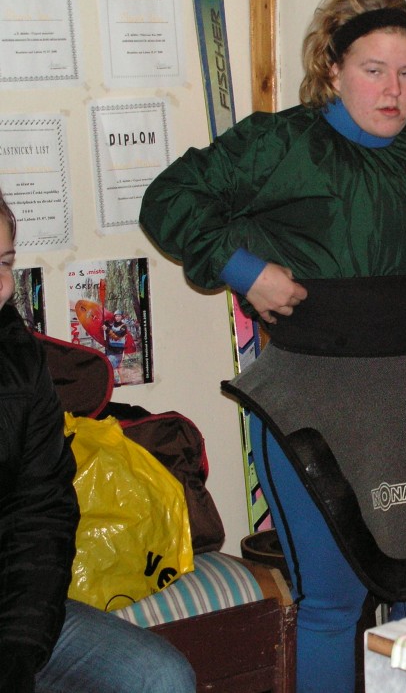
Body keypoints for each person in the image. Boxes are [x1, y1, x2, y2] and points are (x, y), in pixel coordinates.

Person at [139, 0, 406, 692]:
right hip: (314, 398)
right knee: (333, 605)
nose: (394, 90)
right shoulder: (280, 144)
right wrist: (245, 271)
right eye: (374, 70)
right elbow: (169, 199)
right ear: (333, 69)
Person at [0, 190, 195, 692]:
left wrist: (19, 648)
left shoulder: (18, 359)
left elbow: (40, 512)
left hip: (13, 613)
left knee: (161, 677)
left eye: (3, 262)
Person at [103, 311, 128, 384]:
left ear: (121, 317)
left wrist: (107, 329)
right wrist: (104, 323)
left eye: (119, 316)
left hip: (118, 350)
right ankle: (113, 381)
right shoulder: (112, 325)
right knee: (109, 365)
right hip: (110, 349)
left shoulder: (124, 327)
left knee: (116, 367)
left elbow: (117, 336)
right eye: (116, 316)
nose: (117, 318)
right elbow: (107, 328)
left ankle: (119, 382)